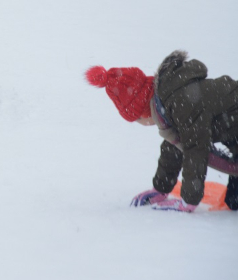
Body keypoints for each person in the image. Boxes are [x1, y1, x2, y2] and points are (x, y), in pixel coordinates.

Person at [86, 51, 238, 213]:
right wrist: (161, 188)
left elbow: (195, 150)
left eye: (137, 119)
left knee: (235, 202)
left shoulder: (181, 102)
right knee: (233, 201)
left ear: (143, 112)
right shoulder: (169, 101)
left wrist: (188, 201)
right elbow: (174, 145)